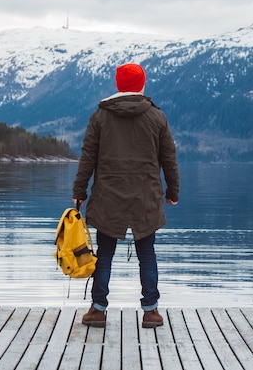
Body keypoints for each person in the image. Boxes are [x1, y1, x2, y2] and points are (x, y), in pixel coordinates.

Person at [72, 62, 179, 328]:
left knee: (105, 253)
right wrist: (173, 191)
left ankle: (98, 310)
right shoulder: (157, 117)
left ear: (118, 85)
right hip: (147, 197)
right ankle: (151, 311)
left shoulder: (100, 116)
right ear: (142, 85)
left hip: (109, 197)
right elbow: (169, 159)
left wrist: (79, 191)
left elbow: (88, 158)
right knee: (147, 253)